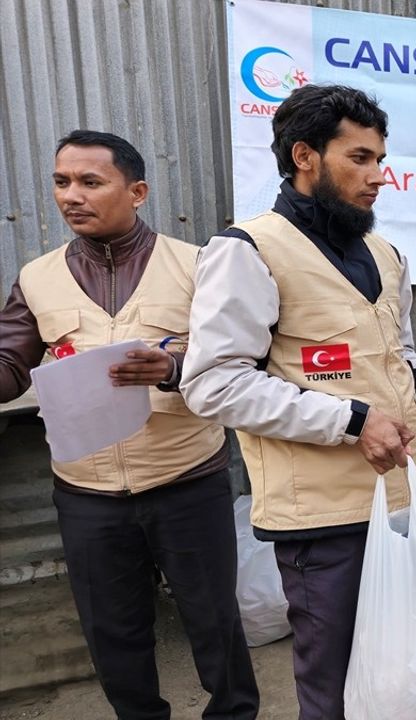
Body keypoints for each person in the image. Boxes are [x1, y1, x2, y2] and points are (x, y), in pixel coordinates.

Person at [180, 84, 416, 719]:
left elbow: (394, 356)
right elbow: (214, 381)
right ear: (305, 156)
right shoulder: (249, 250)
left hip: (404, 500)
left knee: (403, 672)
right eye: (360, 158)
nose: (378, 175)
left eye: (380, 158)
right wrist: (350, 420)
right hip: (322, 520)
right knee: (336, 683)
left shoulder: (384, 252)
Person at [0, 131, 259, 719]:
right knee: (113, 633)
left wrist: (172, 367)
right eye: (62, 182)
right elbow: (11, 364)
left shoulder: (198, 266)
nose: (72, 196)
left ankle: (234, 713)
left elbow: (248, 358)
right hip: (86, 493)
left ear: (136, 191)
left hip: (187, 479)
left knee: (214, 620)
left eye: (91, 182)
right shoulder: (38, 277)